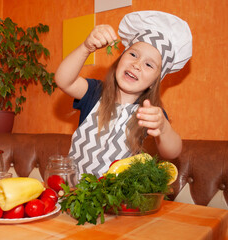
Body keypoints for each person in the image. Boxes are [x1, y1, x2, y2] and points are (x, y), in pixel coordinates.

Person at [55, 11, 192, 177]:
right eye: (133, 54)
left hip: (117, 198)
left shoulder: (149, 113)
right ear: (120, 59)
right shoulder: (95, 92)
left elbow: (173, 151)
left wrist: (163, 128)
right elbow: (63, 80)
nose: (136, 64)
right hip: (74, 192)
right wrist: (86, 47)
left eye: (149, 65)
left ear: (155, 81)